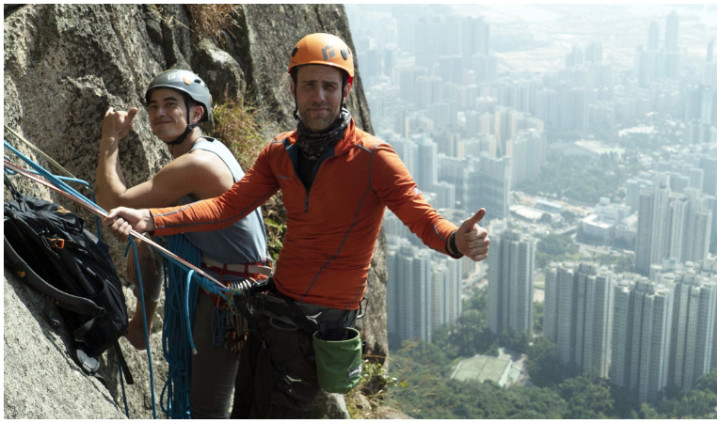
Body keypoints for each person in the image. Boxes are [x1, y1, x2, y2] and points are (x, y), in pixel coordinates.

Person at [105, 33, 490, 418]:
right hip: (275, 311)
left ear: (346, 90)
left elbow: (421, 216)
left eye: (328, 86)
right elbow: (228, 206)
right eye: (309, 85)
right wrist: (152, 219)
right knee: (246, 410)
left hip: (321, 325)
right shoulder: (280, 152)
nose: (318, 96)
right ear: (293, 89)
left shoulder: (373, 158)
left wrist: (456, 240)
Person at [95, 68, 269, 418]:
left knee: (207, 408)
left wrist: (110, 140)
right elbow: (133, 207)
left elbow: (112, 202)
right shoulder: (211, 150)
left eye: (170, 104)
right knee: (148, 230)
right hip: (228, 282)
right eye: (153, 105)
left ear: (196, 113)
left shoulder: (197, 164)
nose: (159, 113)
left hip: (229, 297)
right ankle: (142, 323)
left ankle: (141, 325)